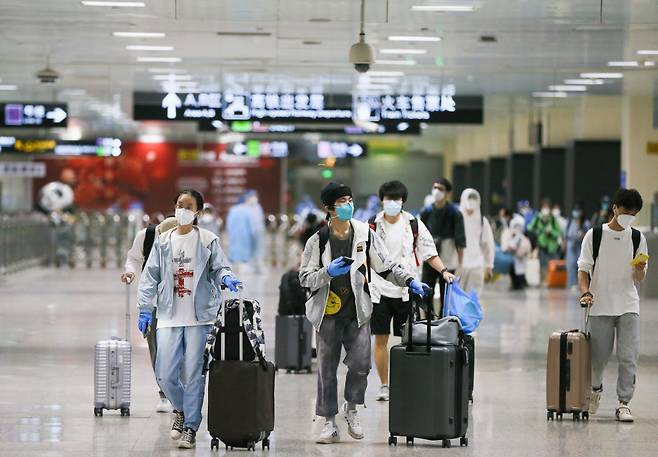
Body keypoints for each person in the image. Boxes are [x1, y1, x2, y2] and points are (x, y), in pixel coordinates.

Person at [299, 182, 429, 444]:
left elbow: (386, 265)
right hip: (326, 314)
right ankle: (328, 422)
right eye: (341, 202)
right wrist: (327, 273)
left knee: (361, 365)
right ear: (329, 208)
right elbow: (304, 278)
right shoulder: (318, 239)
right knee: (326, 369)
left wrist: (408, 280)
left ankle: (352, 408)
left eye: (349, 200)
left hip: (357, 311)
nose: (348, 205)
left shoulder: (364, 233)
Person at [137, 189, 243, 449]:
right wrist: (143, 308)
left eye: (188, 206)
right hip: (168, 315)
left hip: (199, 318)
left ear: (198, 212)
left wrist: (226, 277)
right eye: (179, 204)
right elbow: (150, 275)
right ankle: (182, 410)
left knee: (195, 374)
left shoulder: (207, 240)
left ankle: (191, 428)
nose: (182, 209)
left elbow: (220, 267)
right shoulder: (162, 241)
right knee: (164, 373)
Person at [369, 180, 455, 402]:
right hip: (379, 290)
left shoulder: (413, 224)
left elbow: (429, 252)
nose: (392, 203)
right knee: (380, 340)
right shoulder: (371, 225)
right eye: (388, 199)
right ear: (382, 200)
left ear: (403, 202)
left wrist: (444, 271)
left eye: (396, 199)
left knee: (406, 341)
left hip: (407, 291)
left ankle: (403, 382)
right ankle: (384, 384)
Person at [578, 188, 648, 423]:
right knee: (598, 358)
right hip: (600, 305)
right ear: (615, 208)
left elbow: (639, 278)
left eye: (634, 213)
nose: (629, 217)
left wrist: (639, 269)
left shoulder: (638, 238)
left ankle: (623, 403)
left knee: (629, 357)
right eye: (626, 211)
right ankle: (595, 390)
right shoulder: (595, 235)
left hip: (628, 304)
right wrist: (586, 292)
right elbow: (583, 269)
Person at [121, 215, 177, 413]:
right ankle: (164, 393)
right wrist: (131, 272)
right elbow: (134, 258)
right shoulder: (146, 236)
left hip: (180, 303)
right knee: (157, 348)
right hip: (152, 302)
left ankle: (179, 392)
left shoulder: (190, 239)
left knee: (180, 348)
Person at [419, 178, 466, 314]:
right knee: (427, 291)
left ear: (447, 193)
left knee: (447, 294)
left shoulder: (454, 213)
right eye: (435, 187)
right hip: (429, 258)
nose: (436, 191)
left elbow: (460, 240)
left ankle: (443, 321)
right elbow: (419, 236)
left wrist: (460, 263)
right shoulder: (426, 211)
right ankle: (428, 321)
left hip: (448, 258)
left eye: (440, 189)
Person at [458, 189, 495, 296]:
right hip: (458, 265)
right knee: (457, 298)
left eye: (474, 199)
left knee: (473, 298)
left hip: (477, 265)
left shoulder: (482, 221)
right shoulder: (456, 218)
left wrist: (489, 265)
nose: (471, 202)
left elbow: (488, 244)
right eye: (469, 198)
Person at [527, 199, 563, 282]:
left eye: (547, 207)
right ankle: (543, 281)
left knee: (552, 265)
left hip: (552, 247)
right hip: (542, 246)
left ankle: (552, 281)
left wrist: (551, 232)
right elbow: (530, 228)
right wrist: (539, 231)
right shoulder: (538, 219)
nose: (545, 209)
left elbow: (558, 232)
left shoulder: (553, 220)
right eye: (544, 207)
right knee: (542, 265)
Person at [501, 215, 532, 290]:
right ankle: (517, 284)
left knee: (519, 273)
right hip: (515, 259)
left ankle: (519, 285)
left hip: (519, 259)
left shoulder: (520, 237)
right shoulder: (512, 234)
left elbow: (516, 246)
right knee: (517, 273)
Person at [225, 194, 255, 273]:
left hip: (234, 233)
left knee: (234, 248)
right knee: (244, 249)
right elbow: (251, 223)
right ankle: (243, 264)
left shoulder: (233, 209)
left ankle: (231, 264)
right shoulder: (247, 210)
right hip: (245, 234)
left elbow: (229, 223)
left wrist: (229, 231)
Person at [565, 203, 589, 289]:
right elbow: (566, 234)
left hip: (580, 245)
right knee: (570, 264)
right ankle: (572, 283)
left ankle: (581, 283)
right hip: (571, 245)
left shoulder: (585, 222)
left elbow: (588, 235)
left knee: (580, 264)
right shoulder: (570, 221)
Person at [245, 190, 265, 273]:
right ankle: (250, 267)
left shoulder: (258, 207)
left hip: (258, 232)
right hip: (249, 233)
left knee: (259, 249)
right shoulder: (246, 208)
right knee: (250, 250)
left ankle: (259, 267)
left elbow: (260, 220)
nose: (254, 198)